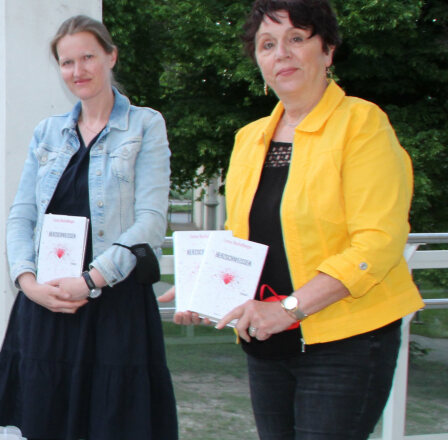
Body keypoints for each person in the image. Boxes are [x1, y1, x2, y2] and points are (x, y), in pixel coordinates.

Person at [165, 1, 424, 438]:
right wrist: (204, 284)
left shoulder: (362, 124)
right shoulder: (249, 139)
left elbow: (377, 242)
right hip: (265, 341)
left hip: (347, 341)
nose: (281, 53)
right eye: (267, 44)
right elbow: (244, 235)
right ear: (259, 62)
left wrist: (288, 310)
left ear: (327, 52)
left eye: (296, 39)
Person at [0, 15, 177, 440]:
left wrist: (91, 280)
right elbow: (21, 215)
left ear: (110, 56)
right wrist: (27, 282)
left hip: (113, 307)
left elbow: (151, 222)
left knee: (113, 426)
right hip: (46, 306)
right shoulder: (47, 133)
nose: (78, 71)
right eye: (67, 62)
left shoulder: (145, 126)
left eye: (88, 57)